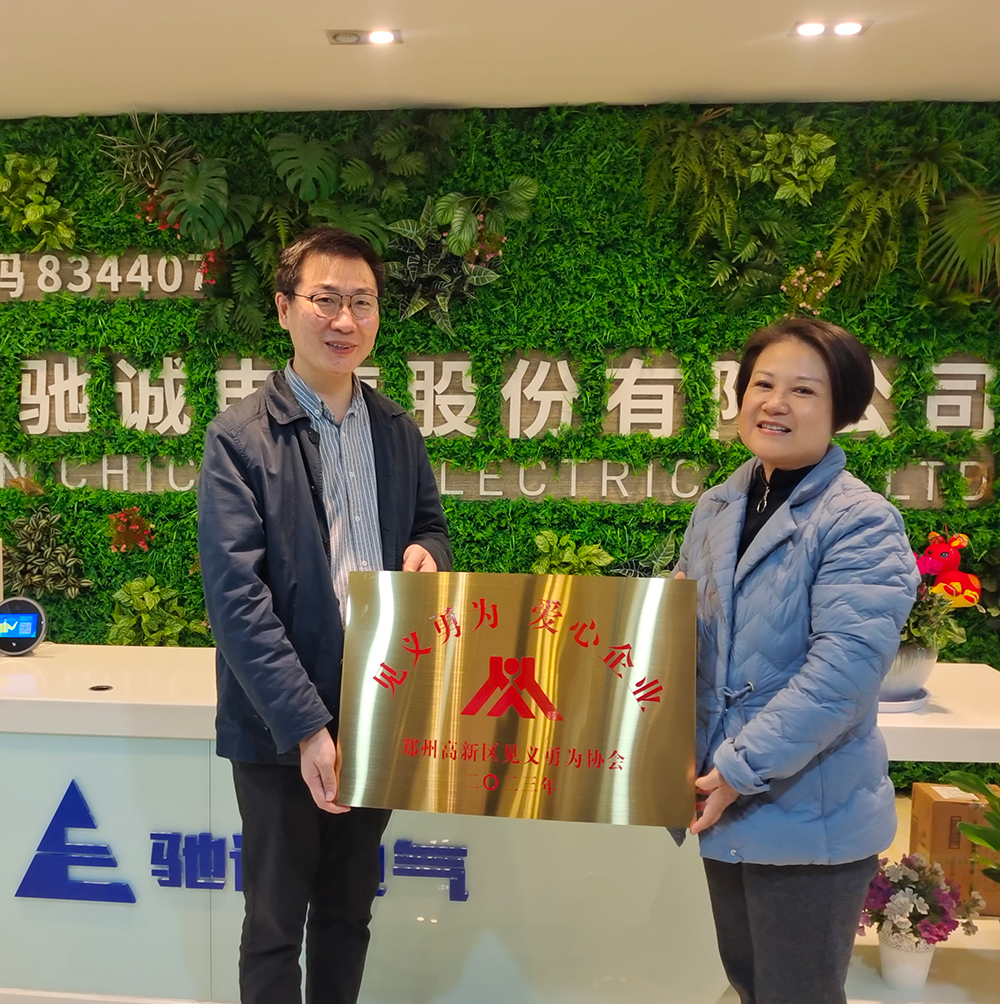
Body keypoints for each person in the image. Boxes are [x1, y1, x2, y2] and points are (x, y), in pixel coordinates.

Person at [197, 226, 452, 1004]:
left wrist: (428, 554)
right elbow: (236, 600)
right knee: (275, 925)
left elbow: (431, 527)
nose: (345, 320)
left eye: (362, 302)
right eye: (326, 300)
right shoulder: (239, 438)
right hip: (280, 731)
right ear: (285, 308)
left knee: (347, 916)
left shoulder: (397, 431)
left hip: (379, 713)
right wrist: (308, 727)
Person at [674, 318, 919, 1004]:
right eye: (763, 384)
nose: (775, 403)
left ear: (842, 409)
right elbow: (689, 641)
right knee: (750, 983)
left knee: (796, 993)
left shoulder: (860, 521)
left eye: (803, 390)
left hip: (809, 814)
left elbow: (841, 675)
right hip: (723, 800)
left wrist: (737, 768)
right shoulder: (718, 506)